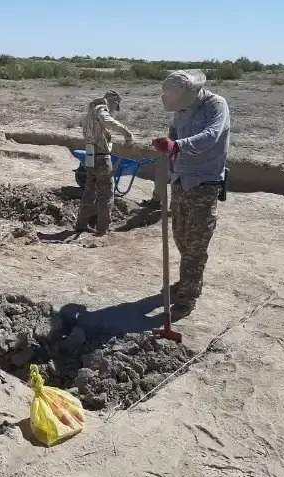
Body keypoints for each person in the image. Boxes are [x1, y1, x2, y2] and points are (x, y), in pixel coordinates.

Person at [151, 70, 230, 316]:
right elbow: (174, 131)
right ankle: (188, 281)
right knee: (181, 238)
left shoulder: (215, 105)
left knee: (196, 243)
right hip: (180, 179)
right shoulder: (180, 109)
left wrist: (178, 146)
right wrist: (168, 141)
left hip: (204, 182)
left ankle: (188, 294)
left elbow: (212, 136)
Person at [74, 90, 134, 236]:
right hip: (100, 155)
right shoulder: (101, 109)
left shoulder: (89, 112)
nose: (114, 110)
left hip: (89, 153)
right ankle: (102, 229)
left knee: (89, 190)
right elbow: (108, 121)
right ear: (113, 100)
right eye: (115, 106)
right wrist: (127, 133)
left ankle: (81, 224)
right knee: (106, 193)